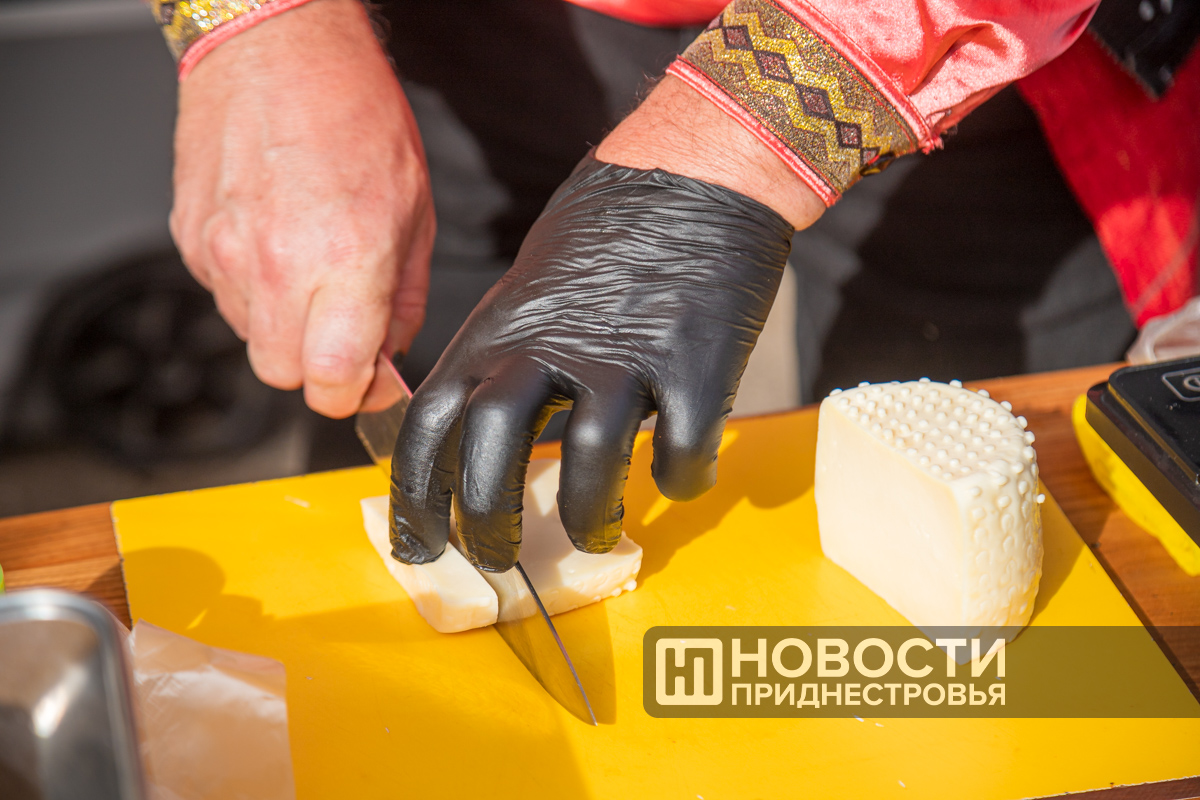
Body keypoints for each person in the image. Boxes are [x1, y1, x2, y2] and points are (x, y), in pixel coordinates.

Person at [155, 0, 1197, 572]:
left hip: (960, 62)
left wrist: (746, 136)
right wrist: (259, 29)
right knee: (423, 465)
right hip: (475, 42)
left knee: (978, 543)